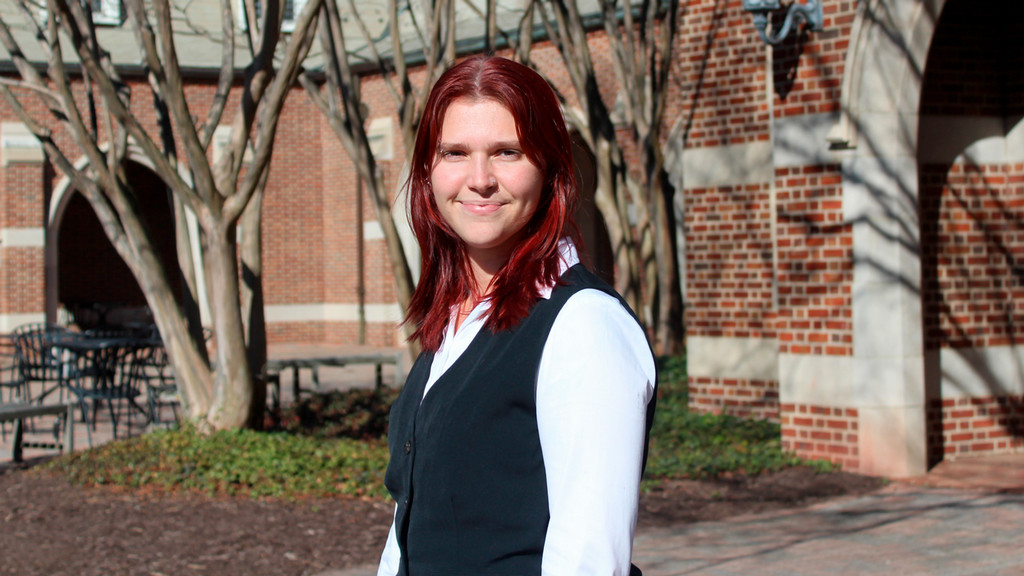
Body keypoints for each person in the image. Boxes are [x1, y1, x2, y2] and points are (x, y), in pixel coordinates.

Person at [377, 54, 657, 576]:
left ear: (549, 167)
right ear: (428, 172)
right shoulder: (456, 321)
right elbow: (409, 527)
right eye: (455, 152)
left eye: (507, 152)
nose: (479, 179)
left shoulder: (583, 328)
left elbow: (589, 561)